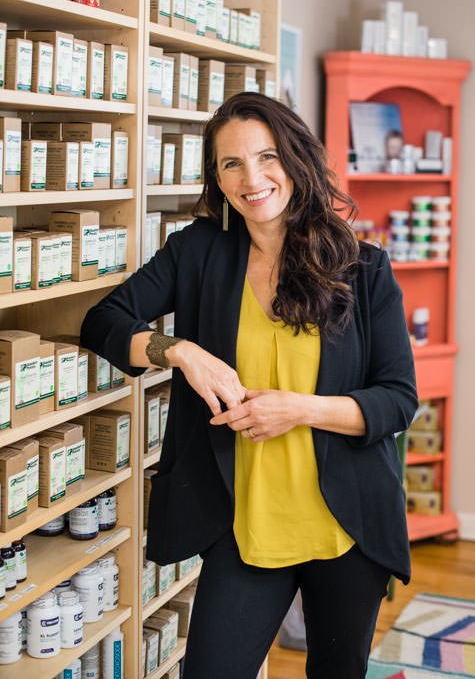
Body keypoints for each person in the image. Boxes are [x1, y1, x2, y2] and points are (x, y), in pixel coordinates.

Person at [80, 92, 418, 679]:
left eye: (266, 157)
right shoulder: (198, 252)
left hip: (346, 526)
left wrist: (300, 410)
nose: (252, 177)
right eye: (231, 163)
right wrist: (180, 351)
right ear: (216, 176)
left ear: (295, 160)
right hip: (245, 526)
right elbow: (103, 322)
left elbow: (397, 400)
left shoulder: (362, 268)